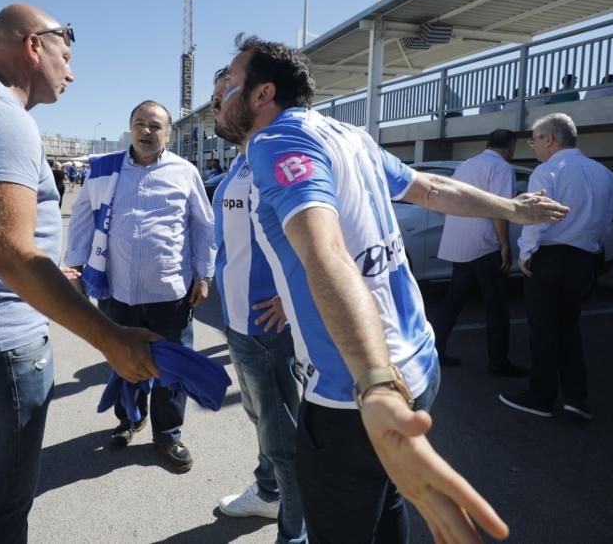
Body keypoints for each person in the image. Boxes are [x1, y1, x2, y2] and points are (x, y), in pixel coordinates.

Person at [216, 34, 569, 543]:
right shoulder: (348, 135)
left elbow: (327, 254)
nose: (220, 93)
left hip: (354, 394)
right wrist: (512, 209)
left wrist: (375, 387)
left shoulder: (275, 141)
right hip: (419, 369)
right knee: (387, 502)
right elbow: (430, 189)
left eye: (229, 82)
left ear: (262, 93)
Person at [0, 3, 160, 543]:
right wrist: (112, 340)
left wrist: (51, 274)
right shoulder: (0, 116)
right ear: (33, 46)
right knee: (2, 503)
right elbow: (11, 256)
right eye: (65, 57)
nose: (70, 72)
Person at [65, 99, 215, 473]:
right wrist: (77, 265)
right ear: (130, 127)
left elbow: (203, 225)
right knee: (123, 362)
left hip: (170, 292)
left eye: (155, 126)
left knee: (171, 368)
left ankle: (168, 435)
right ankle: (130, 419)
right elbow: (83, 216)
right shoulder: (104, 170)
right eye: (139, 124)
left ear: (168, 134)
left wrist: (205, 274)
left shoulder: (184, 171)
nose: (146, 132)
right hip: (118, 290)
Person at [209, 67, 305, 543]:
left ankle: (296, 532)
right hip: (239, 322)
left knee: (283, 438)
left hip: (269, 328)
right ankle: (268, 493)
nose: (214, 104)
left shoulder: (279, 151)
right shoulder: (241, 160)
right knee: (261, 422)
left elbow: (324, 232)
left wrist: (291, 300)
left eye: (222, 93)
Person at [500, 113, 613, 422]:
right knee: (569, 328)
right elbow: (605, 223)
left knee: (543, 330)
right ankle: (576, 399)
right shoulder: (603, 172)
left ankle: (541, 397)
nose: (533, 146)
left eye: (534, 140)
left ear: (549, 139)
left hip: (550, 259)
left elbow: (536, 218)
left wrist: (526, 254)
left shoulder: (547, 171)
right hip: (584, 259)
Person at [434, 129, 527, 377]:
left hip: (458, 244)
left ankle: (435, 353)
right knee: (497, 308)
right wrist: (505, 244)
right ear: (511, 147)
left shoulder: (466, 165)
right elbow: (501, 209)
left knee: (452, 304)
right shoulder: (502, 168)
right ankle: (498, 362)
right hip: (484, 246)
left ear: (487, 143)